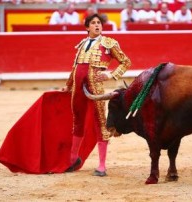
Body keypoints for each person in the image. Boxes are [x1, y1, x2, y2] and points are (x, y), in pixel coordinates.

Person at [63, 14, 131, 176]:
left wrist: (110, 75)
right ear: (87, 27)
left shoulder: (108, 43)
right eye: (93, 23)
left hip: (96, 88)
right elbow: (75, 68)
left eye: (99, 23)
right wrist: (68, 85)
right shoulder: (82, 44)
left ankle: (102, 165)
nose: (97, 25)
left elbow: (126, 62)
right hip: (78, 87)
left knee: (100, 122)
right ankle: (73, 159)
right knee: (77, 120)